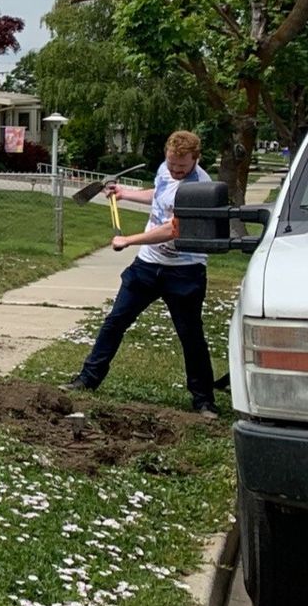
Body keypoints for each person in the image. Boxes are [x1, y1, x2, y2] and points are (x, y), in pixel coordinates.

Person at [68, 129, 225, 413]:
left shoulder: (201, 187)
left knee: (191, 335)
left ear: (196, 159)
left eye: (182, 167)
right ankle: (87, 379)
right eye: (172, 164)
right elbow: (160, 194)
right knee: (116, 320)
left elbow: (173, 229)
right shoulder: (166, 169)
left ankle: (204, 401)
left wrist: (128, 240)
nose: (176, 171)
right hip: (147, 266)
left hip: (184, 271)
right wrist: (125, 193)